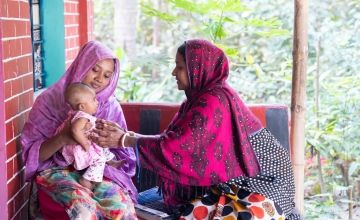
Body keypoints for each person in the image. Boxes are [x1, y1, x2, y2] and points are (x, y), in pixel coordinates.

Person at [94, 39, 300, 219]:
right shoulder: (199, 98)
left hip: (258, 187)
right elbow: (175, 140)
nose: (174, 72)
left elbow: (177, 147)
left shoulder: (214, 100)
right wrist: (128, 137)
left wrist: (125, 139)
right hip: (234, 183)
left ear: (197, 69)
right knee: (133, 205)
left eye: (180, 67)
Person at [21, 41, 138, 219]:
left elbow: (124, 153)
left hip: (100, 171)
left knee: (121, 210)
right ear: (83, 64)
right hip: (56, 171)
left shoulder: (110, 106)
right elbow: (31, 155)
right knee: (83, 212)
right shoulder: (49, 101)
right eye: (95, 69)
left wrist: (106, 144)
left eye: (107, 75)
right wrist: (62, 138)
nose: (99, 79)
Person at [60, 82, 124, 190]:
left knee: (102, 146)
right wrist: (84, 142)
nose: (97, 102)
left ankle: (111, 162)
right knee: (98, 159)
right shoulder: (83, 117)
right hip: (79, 146)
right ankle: (86, 179)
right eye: (93, 99)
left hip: (84, 142)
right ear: (82, 106)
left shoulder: (78, 115)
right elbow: (75, 130)